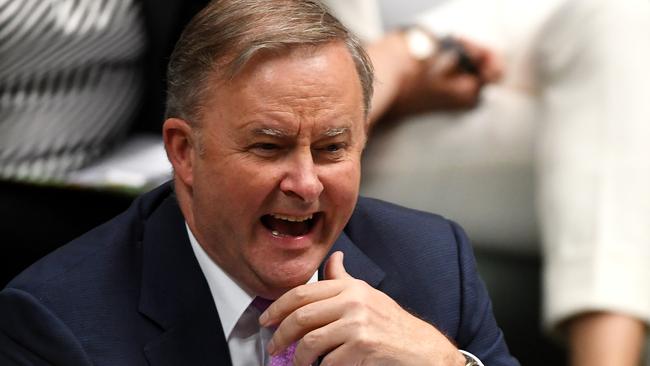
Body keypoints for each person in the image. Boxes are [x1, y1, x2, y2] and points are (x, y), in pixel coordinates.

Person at [0, 0, 519, 365]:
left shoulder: (435, 261)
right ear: (184, 151)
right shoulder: (58, 324)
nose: (306, 183)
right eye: (268, 147)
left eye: (332, 148)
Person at [342, 0, 650, 365]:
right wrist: (391, 71)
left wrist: (410, 46)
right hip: (363, 126)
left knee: (619, 16)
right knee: (622, 132)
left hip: (487, 71)